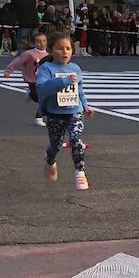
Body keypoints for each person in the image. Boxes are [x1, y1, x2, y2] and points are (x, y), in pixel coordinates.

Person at [36, 31, 93, 189]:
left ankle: (80, 172)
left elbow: (80, 89)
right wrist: (63, 81)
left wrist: (85, 105)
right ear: (51, 50)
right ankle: (50, 161)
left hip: (75, 111)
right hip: (55, 113)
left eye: (68, 48)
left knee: (76, 139)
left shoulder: (75, 67)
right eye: (60, 48)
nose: (65, 52)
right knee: (56, 145)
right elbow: (42, 89)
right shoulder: (46, 69)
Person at [3, 30, 49, 125]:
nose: (42, 43)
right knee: (37, 98)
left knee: (43, 99)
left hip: (45, 80)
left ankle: (39, 117)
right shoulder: (29, 53)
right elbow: (17, 61)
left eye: (44, 41)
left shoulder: (49, 54)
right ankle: (31, 94)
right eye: (39, 41)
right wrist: (8, 70)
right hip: (32, 79)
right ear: (33, 43)